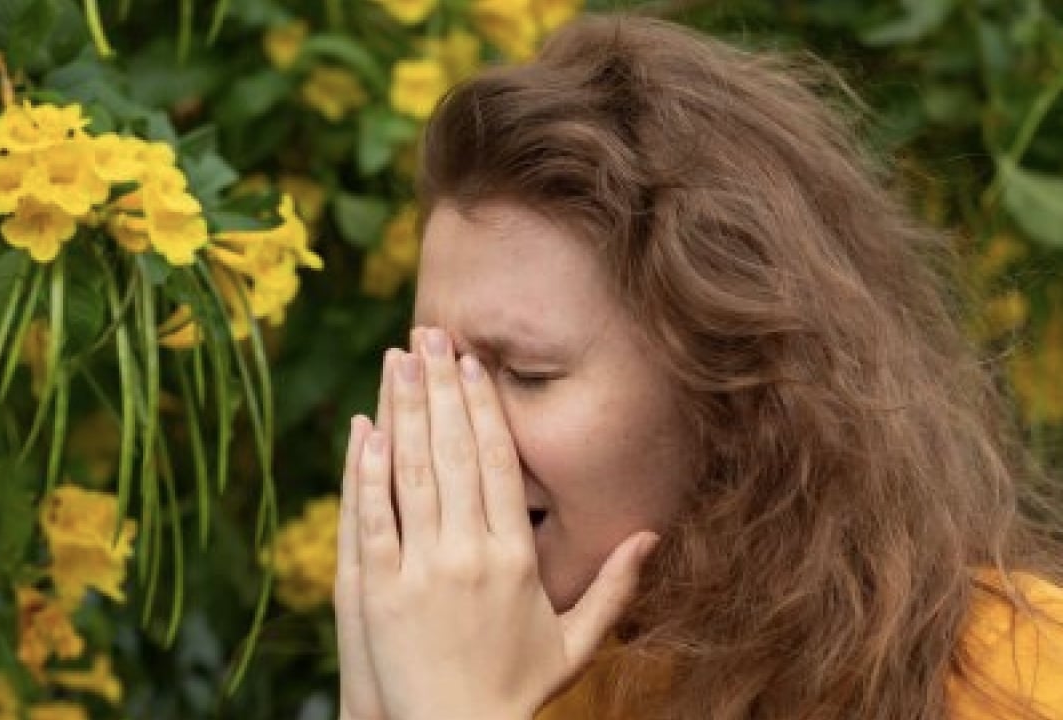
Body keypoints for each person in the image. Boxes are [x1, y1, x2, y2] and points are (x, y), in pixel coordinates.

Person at [334, 13, 1063, 720]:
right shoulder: (527, 670)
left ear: (728, 383)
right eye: (430, 369)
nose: (450, 430)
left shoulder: (1012, 674)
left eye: (526, 373)